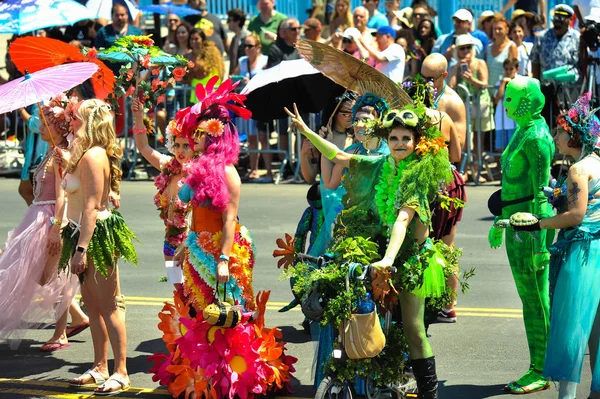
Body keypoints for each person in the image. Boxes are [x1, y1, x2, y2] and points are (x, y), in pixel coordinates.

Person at [286, 99, 457, 399]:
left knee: (414, 332)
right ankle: (376, 380)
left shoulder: (414, 176)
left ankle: (429, 394)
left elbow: (403, 221)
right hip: (384, 255)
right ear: (387, 140)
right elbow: (338, 155)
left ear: (416, 142)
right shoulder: (381, 163)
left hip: (410, 260)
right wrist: (306, 132)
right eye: (394, 138)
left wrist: (388, 259)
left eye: (406, 138)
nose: (399, 143)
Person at [149, 77, 296, 398]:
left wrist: (225, 259)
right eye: (195, 133)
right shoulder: (196, 168)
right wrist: (184, 248)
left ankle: (237, 377)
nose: (195, 138)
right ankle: (208, 378)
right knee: (202, 312)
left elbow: (230, 219)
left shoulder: (228, 172)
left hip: (222, 250)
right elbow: (192, 215)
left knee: (229, 312)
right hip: (198, 247)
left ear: (216, 135)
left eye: (201, 133)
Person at [510, 92, 600, 399]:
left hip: (583, 252)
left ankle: (567, 396)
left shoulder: (577, 170)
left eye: (560, 131)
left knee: (571, 325)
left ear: (575, 137)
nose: (555, 137)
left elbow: (575, 216)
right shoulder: (597, 162)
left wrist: (537, 223)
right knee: (597, 326)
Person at [58, 99, 138, 395]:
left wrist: (81, 249)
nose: (72, 123)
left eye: (76, 119)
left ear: (91, 124)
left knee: (108, 306)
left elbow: (91, 208)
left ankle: (121, 371)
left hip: (93, 236)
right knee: (92, 305)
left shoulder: (93, 155)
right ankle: (100, 366)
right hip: (80, 232)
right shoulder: (83, 154)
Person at [487, 76, 555, 394]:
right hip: (514, 224)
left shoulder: (537, 137)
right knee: (528, 299)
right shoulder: (522, 130)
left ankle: (542, 368)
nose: (506, 104)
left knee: (535, 299)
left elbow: (543, 192)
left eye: (512, 99)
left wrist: (540, 241)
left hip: (529, 229)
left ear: (528, 100)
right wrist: (500, 221)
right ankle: (538, 365)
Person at [0, 98, 79, 351]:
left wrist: (56, 228)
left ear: (58, 127)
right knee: (37, 274)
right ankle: (75, 320)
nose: (40, 127)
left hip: (49, 219)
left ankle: (61, 333)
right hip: (37, 216)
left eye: (45, 124)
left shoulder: (60, 155)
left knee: (54, 276)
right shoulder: (50, 152)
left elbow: (61, 195)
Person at [131, 98, 196, 289]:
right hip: (170, 242)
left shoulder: (199, 174)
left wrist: (186, 247)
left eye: (186, 146)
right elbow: (144, 148)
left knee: (195, 293)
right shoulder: (169, 166)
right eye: (177, 145)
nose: (180, 151)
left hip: (193, 246)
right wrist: (138, 117)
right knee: (179, 289)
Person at [448, 34, 494, 184]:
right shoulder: (456, 65)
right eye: (462, 48)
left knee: (478, 140)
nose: (466, 51)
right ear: (458, 50)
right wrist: (455, 69)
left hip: (480, 104)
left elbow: (484, 83)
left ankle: (477, 170)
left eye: (469, 47)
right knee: (465, 141)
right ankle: (465, 171)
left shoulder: (480, 63)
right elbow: (451, 86)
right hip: (465, 106)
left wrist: (470, 79)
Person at [531, 4, 580, 127]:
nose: (558, 22)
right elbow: (535, 62)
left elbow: (582, 64)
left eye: (562, 19)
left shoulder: (577, 38)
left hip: (570, 91)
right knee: (548, 125)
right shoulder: (541, 37)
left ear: (569, 20)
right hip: (547, 91)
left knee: (570, 126)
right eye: (556, 18)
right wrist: (537, 87)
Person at [233, 33, 272, 182]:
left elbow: (268, 79)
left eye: (250, 46)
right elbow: (234, 76)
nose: (247, 49)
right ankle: (253, 169)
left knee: (263, 137)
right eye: (245, 46)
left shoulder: (265, 60)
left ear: (258, 47)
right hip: (247, 103)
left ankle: (269, 171)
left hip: (261, 103)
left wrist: (252, 81)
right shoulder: (242, 61)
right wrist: (235, 79)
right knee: (251, 138)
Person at [421, 54, 467, 152]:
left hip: (439, 160)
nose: (424, 82)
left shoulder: (453, 102)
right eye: (422, 77)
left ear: (444, 75)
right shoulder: (415, 91)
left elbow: (460, 144)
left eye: (430, 79)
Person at [94, 4, 143, 73]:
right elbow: (97, 54)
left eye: (122, 15)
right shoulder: (103, 32)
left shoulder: (136, 32)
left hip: (131, 76)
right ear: (112, 16)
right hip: (110, 75)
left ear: (127, 15)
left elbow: (143, 54)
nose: (120, 17)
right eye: (117, 15)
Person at [186, 28, 224, 103]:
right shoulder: (188, 56)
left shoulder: (211, 52)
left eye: (196, 39)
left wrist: (191, 73)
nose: (193, 41)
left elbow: (202, 72)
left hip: (211, 95)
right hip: (196, 97)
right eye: (191, 39)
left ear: (203, 40)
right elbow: (185, 80)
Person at [485, 14, 518, 94]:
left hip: (505, 93)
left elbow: (514, 70)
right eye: (494, 29)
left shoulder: (511, 46)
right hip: (489, 92)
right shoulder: (488, 48)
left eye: (500, 29)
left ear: (507, 30)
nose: (496, 31)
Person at [492, 58, 519, 152]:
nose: (508, 71)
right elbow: (496, 99)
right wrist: (503, 83)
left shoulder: (520, 81)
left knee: (514, 149)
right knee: (500, 149)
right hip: (501, 121)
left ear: (516, 69)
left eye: (511, 69)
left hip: (515, 122)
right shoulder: (499, 83)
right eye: (506, 69)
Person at [226, 8, 249, 76]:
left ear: (238, 21)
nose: (227, 23)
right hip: (235, 78)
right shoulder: (234, 39)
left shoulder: (248, 38)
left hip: (245, 78)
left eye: (229, 20)